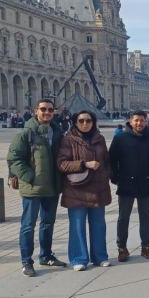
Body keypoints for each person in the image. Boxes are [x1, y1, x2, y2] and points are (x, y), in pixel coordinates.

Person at [7, 98, 66, 276]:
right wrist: (29, 177)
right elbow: (14, 158)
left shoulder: (57, 132)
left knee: (48, 223)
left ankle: (46, 255)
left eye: (50, 110)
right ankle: (26, 261)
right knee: (28, 226)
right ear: (36, 111)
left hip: (52, 186)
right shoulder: (25, 133)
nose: (47, 112)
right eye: (43, 109)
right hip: (32, 187)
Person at [56, 110, 112, 271]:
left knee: (99, 225)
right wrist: (84, 164)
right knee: (77, 226)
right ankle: (78, 258)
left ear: (93, 122)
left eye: (88, 121)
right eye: (81, 121)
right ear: (75, 122)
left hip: (98, 188)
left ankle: (100, 256)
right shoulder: (68, 140)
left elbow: (107, 161)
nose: (85, 124)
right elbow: (61, 163)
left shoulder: (99, 138)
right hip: (77, 190)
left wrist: (106, 174)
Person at [109, 111, 149, 262]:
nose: (139, 123)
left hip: (146, 183)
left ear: (146, 122)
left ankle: (145, 246)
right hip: (126, 182)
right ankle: (122, 247)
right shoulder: (120, 139)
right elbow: (112, 160)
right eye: (136, 121)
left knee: (145, 217)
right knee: (123, 217)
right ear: (131, 122)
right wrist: (115, 178)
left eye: (142, 121)